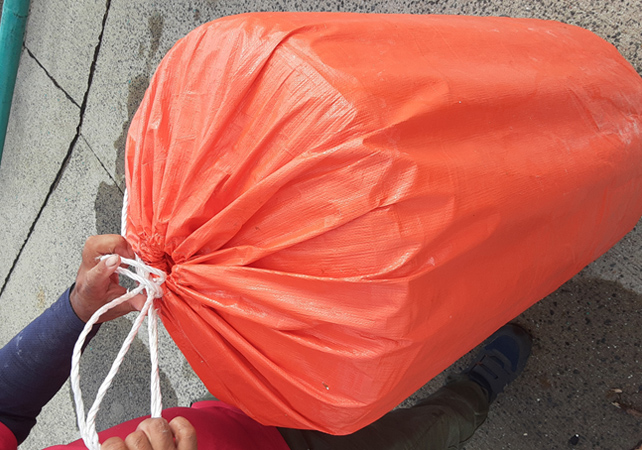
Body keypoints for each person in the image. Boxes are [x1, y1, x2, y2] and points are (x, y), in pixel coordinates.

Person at [0, 235, 532, 450]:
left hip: (238, 406)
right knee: (428, 432)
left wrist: (77, 308)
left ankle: (450, 306)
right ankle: (476, 390)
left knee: (348, 328)